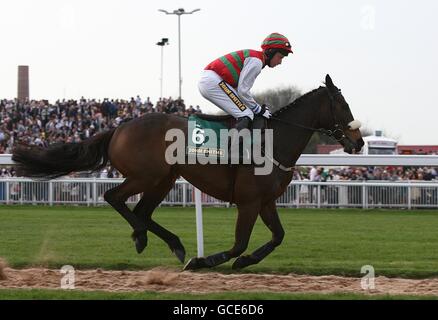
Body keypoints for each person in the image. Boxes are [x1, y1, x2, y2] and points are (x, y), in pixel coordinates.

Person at [198, 32, 293, 134]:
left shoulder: (256, 59)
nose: (280, 62)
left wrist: (255, 108)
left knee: (244, 112)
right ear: (271, 52)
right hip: (213, 81)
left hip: (212, 81)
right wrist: (259, 110)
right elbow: (243, 91)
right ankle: (232, 148)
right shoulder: (256, 62)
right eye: (280, 57)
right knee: (246, 114)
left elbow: (241, 92)